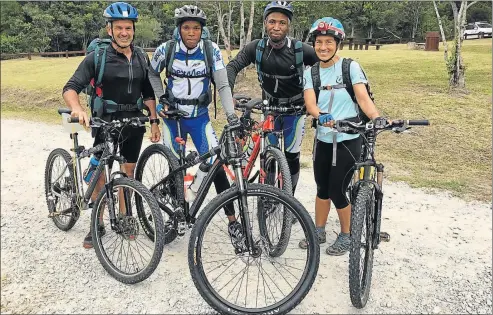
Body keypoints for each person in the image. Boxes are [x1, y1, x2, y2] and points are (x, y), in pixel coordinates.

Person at [62, 2, 161, 249]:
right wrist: (77, 108)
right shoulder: (98, 56)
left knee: (128, 171)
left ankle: (126, 218)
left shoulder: (140, 56)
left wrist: (154, 119)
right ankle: (98, 221)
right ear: (110, 29)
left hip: (134, 122)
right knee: (101, 173)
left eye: (128, 28)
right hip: (105, 121)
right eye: (119, 28)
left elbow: (148, 91)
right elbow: (71, 87)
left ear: (133, 30)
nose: (124, 32)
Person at [148, 5, 244, 245]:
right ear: (179, 29)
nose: (191, 32)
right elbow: (152, 74)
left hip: (199, 117)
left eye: (196, 28)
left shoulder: (211, 51)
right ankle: (176, 212)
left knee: (215, 164)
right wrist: (161, 99)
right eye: (186, 27)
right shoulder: (166, 49)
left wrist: (231, 116)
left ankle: (233, 222)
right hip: (173, 120)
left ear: (203, 30)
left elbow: (222, 85)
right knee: (175, 167)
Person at [300, 17, 386, 255]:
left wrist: (376, 117)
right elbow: (310, 104)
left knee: (338, 189)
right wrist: (321, 114)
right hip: (323, 139)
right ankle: (318, 230)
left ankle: (347, 234)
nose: (323, 47)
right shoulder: (312, 72)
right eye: (319, 42)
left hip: (349, 138)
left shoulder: (350, 68)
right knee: (321, 187)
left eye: (329, 42)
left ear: (338, 43)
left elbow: (362, 98)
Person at [226, 1, 318, 194]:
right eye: (272, 22)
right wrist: (229, 94)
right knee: (268, 155)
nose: (276, 27)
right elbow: (233, 66)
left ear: (289, 26)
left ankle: (289, 200)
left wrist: (315, 100)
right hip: (269, 110)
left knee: (291, 157)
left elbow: (326, 66)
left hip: (295, 110)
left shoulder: (301, 50)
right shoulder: (256, 48)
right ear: (265, 23)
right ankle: (268, 197)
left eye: (282, 23)